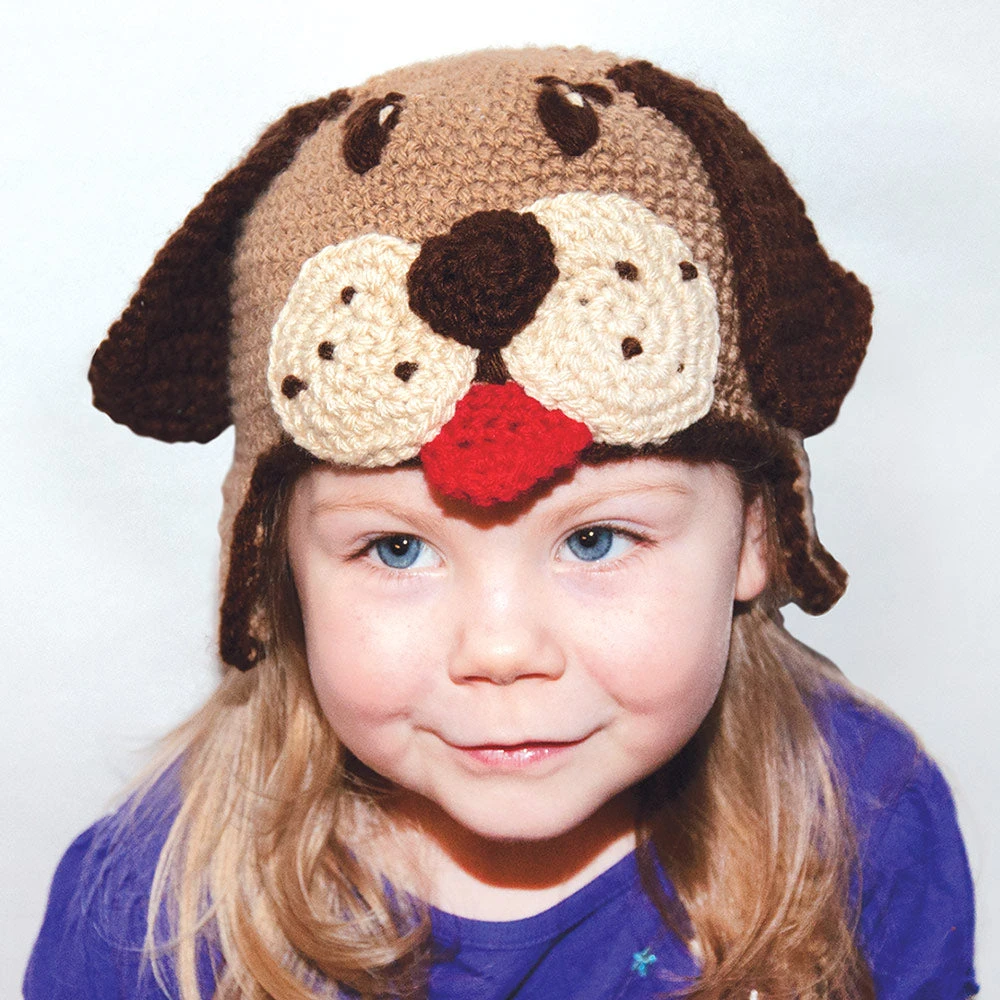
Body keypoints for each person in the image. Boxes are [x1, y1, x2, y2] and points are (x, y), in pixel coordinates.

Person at [24, 46, 977, 1000]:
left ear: (759, 535)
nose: (501, 649)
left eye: (595, 540)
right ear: (275, 567)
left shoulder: (860, 817)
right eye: (398, 548)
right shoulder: (150, 915)